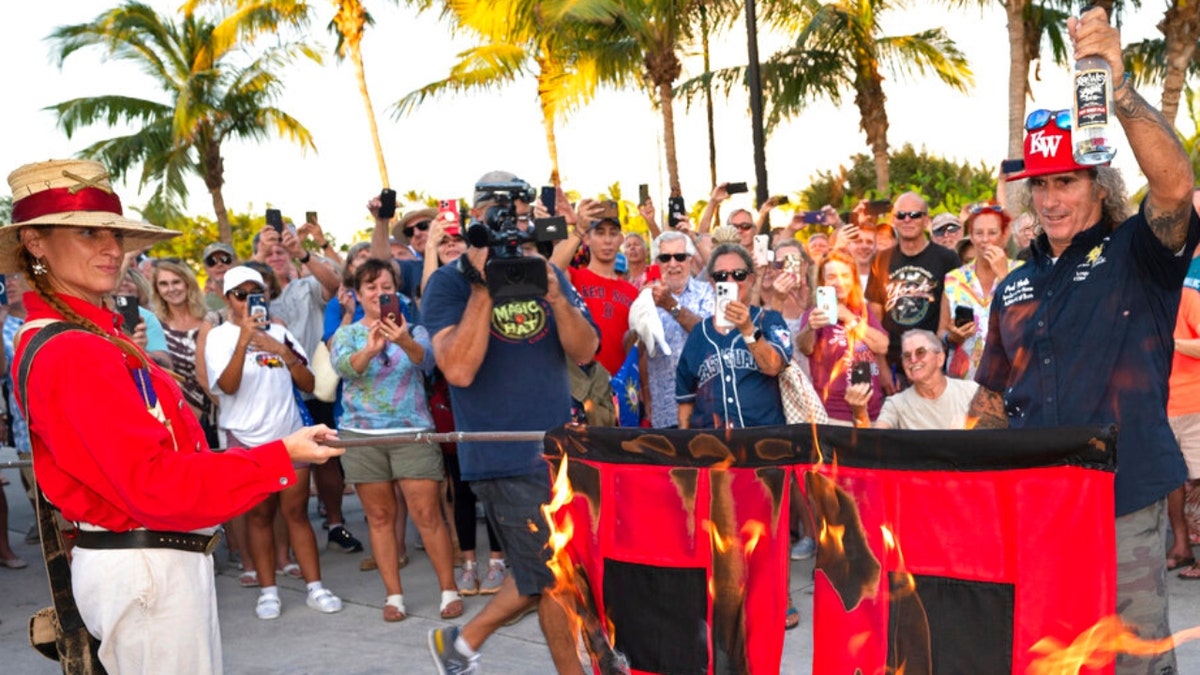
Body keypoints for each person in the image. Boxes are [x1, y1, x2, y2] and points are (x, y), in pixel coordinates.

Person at [5, 158, 341, 672]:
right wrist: (280, 454)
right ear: (35, 243)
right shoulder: (74, 349)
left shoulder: (92, 333)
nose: (112, 249)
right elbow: (154, 483)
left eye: (115, 234)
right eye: (88, 232)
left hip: (148, 562)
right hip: (144, 567)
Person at [968, 10, 1200, 673]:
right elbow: (990, 400)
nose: (1050, 198)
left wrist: (1120, 93)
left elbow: (1176, 186)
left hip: (1124, 501)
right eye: (1039, 184)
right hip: (1038, 508)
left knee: (1131, 660)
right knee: (1052, 657)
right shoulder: (1012, 286)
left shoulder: (1139, 253)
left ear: (1099, 184)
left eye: (1065, 180)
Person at [423, 172, 599, 674]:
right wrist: (483, 288)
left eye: (517, 213)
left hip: (560, 450)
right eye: (497, 213)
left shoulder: (546, 272)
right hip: (500, 452)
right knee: (553, 576)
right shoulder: (448, 283)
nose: (509, 223)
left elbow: (585, 352)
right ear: (475, 218)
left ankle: (458, 645)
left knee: (542, 570)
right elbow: (456, 368)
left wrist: (557, 297)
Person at [205, 265, 344, 621]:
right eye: (241, 295)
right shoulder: (218, 337)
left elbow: (310, 384)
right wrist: (243, 341)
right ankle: (268, 592)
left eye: (257, 293)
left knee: (296, 513)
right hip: (246, 440)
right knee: (259, 516)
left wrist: (280, 350)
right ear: (228, 299)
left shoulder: (280, 331)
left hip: (289, 435)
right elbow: (229, 386)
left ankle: (316, 587)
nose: (249, 301)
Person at [330, 259, 463, 622]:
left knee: (427, 514)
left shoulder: (416, 329)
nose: (379, 293)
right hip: (362, 436)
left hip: (412, 432)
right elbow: (344, 369)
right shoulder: (346, 335)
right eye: (370, 287)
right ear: (357, 295)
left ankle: (448, 589)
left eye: (385, 286)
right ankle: (394, 596)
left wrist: (401, 339)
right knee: (379, 517)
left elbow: (427, 363)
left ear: (397, 292)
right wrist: (371, 348)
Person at [676, 244, 790, 429]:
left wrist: (747, 329)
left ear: (751, 279)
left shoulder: (768, 320)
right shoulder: (699, 333)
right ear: (712, 283)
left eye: (738, 275)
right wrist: (686, 451)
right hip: (712, 447)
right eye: (721, 276)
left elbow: (773, 366)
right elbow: (686, 401)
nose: (730, 281)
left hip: (764, 444)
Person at [865, 192, 960, 391]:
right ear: (893, 220)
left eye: (915, 214)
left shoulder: (947, 259)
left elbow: (952, 314)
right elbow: (874, 319)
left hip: (933, 365)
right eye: (901, 215)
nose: (907, 219)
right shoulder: (880, 259)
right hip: (894, 367)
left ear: (926, 220)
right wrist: (881, 367)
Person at [797, 251, 889, 424]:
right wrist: (810, 328)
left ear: (853, 279)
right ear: (823, 281)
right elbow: (805, 348)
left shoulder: (863, 310)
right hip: (834, 414)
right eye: (831, 276)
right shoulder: (814, 313)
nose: (839, 282)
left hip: (872, 410)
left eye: (844, 276)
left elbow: (882, 346)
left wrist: (849, 318)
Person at [639, 230, 715, 429]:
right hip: (664, 407)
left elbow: (708, 335)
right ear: (657, 262)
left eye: (679, 257)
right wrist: (647, 396)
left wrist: (671, 305)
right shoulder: (646, 297)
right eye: (665, 258)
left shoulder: (706, 292)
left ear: (690, 260)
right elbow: (641, 351)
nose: (673, 264)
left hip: (706, 408)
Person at [937, 201, 1020, 381]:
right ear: (971, 237)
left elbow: (1027, 323)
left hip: (1009, 381)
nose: (985, 239)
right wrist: (951, 337)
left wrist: (1004, 277)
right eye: (978, 233)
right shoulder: (954, 280)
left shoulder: (1022, 272)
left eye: (992, 233)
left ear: (1004, 235)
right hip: (962, 385)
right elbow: (941, 331)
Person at [149, 259, 220, 446]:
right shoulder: (155, 327)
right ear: (157, 290)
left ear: (187, 283)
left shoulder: (212, 320)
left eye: (176, 282)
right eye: (163, 284)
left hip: (216, 414)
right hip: (176, 418)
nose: (171, 289)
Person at [847, 329, 978, 429]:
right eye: (907, 356)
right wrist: (860, 414)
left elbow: (994, 434)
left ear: (940, 359)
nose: (913, 360)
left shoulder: (971, 392)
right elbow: (874, 445)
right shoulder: (896, 404)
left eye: (921, 352)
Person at [1168, 203, 1200, 579]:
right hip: (1161, 403)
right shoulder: (1164, 276)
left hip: (1193, 401)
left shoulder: (1190, 290)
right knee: (1171, 478)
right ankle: (1181, 547)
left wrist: (1169, 342)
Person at [201, 242, 237, 312]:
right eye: (212, 261)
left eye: (225, 259)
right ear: (206, 269)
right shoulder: (202, 305)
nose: (219, 264)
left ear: (234, 263)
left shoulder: (249, 294)